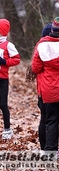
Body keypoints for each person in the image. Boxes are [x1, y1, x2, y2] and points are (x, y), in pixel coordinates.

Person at [31, 17, 59, 152]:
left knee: (49, 120)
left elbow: (35, 68)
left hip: (48, 91)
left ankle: (49, 150)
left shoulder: (42, 46)